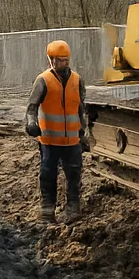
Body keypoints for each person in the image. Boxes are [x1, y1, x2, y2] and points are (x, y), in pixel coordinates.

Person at [24, 39, 89, 223]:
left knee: (74, 174)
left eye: (65, 59)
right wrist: (31, 123)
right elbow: (31, 107)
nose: (63, 63)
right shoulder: (43, 81)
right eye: (59, 60)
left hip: (72, 140)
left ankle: (73, 208)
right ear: (51, 60)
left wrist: (83, 134)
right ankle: (47, 209)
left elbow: (81, 109)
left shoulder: (77, 80)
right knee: (48, 174)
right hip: (50, 140)